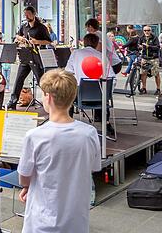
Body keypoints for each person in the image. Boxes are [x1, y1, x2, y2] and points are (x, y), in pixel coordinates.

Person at [17, 69, 100, 233]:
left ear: (48, 97)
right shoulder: (89, 133)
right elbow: (93, 167)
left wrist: (26, 187)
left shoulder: (35, 136)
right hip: (76, 219)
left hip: (42, 220)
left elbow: (24, 177)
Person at [64, 33, 116, 136]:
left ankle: (67, 124)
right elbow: (112, 77)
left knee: (67, 95)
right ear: (97, 44)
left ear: (83, 42)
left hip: (80, 96)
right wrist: (108, 94)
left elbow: (68, 72)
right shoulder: (102, 56)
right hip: (101, 97)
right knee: (103, 93)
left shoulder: (76, 53)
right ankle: (106, 123)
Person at [8, 6, 52, 110]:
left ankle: (51, 101)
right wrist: (21, 38)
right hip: (26, 55)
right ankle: (13, 102)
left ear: (34, 14)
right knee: (19, 79)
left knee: (41, 80)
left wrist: (37, 42)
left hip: (37, 55)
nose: (26, 16)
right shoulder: (24, 26)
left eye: (28, 14)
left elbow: (48, 41)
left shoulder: (41, 27)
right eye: (25, 14)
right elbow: (17, 36)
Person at [138, 26, 161, 95]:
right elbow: (138, 45)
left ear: (150, 31)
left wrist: (149, 46)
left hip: (153, 58)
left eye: (148, 30)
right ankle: (144, 88)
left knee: (156, 73)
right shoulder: (141, 38)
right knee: (143, 74)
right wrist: (140, 47)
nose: (146, 32)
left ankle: (158, 89)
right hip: (144, 57)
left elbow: (158, 47)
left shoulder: (154, 38)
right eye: (145, 30)